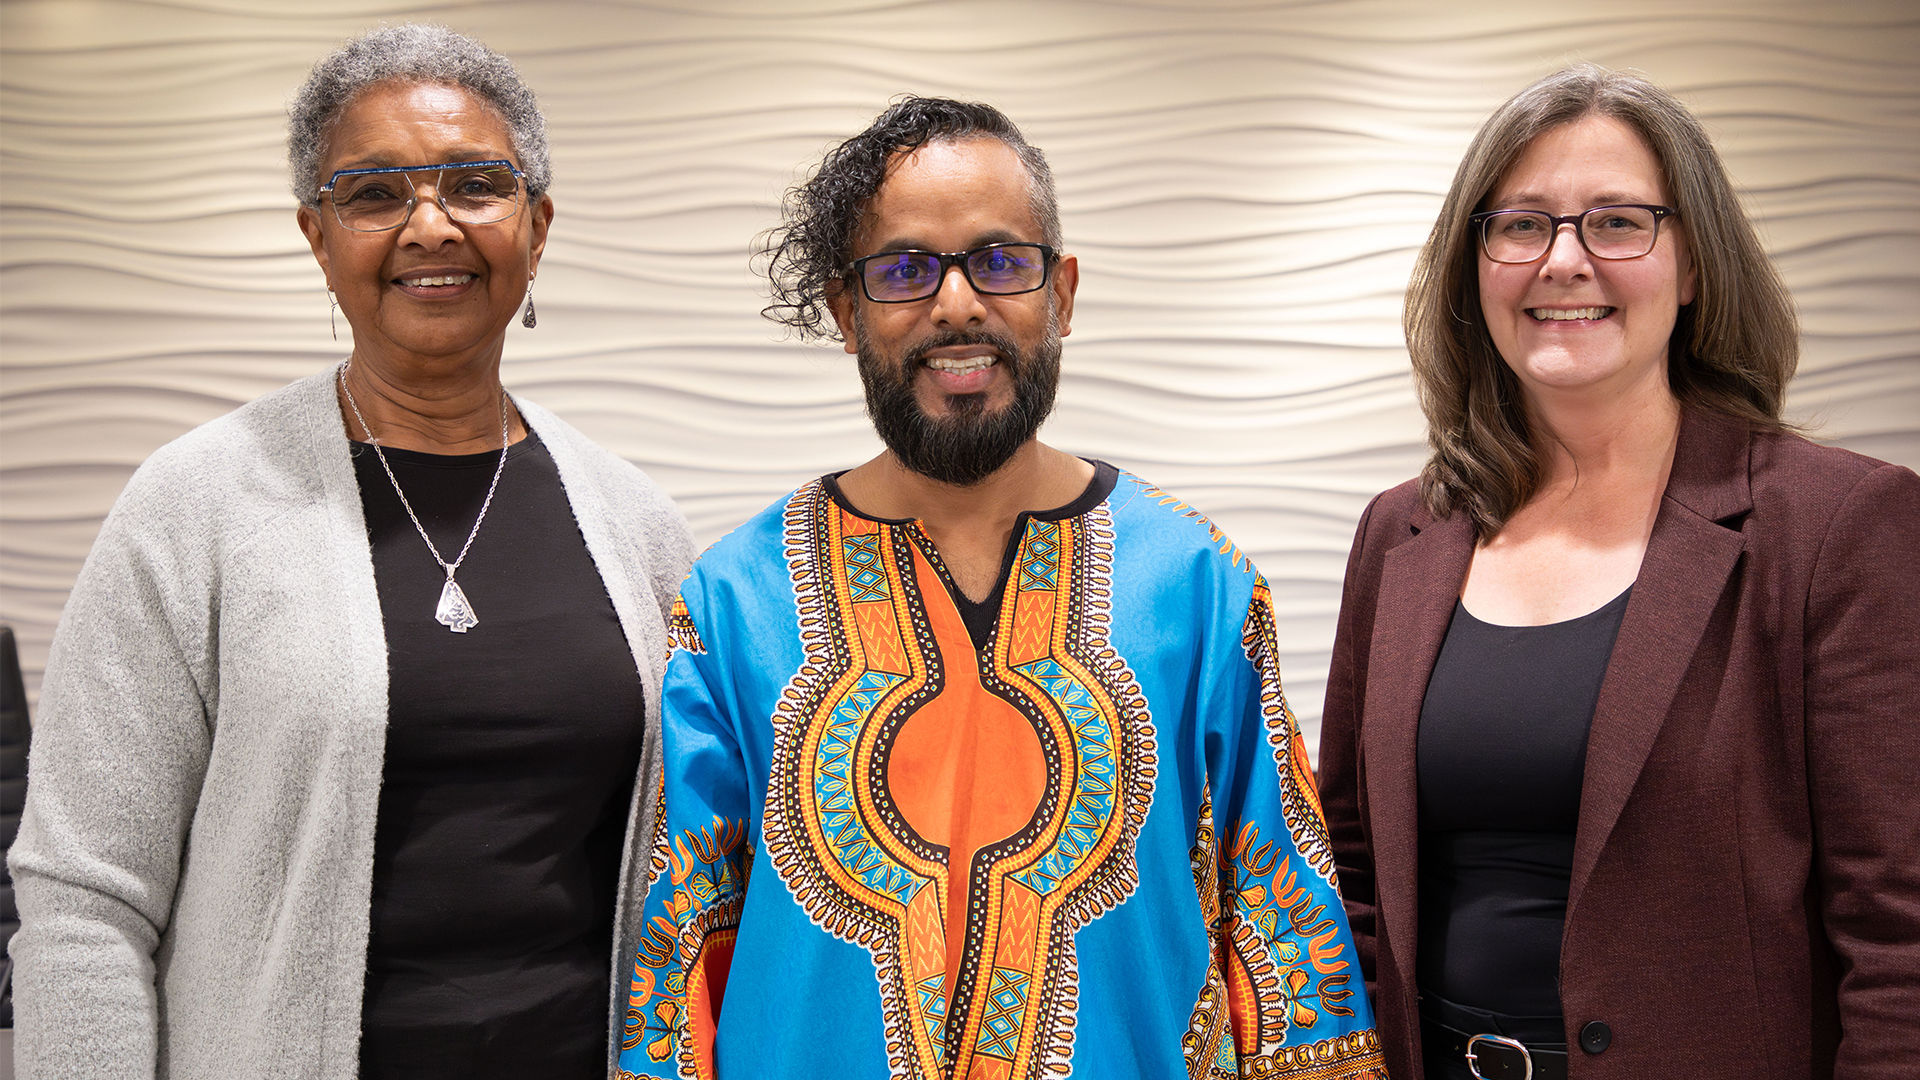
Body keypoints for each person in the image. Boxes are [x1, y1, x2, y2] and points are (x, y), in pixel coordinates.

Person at [613, 97, 1385, 1080]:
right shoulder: (735, 604)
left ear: (1062, 293)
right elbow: (676, 973)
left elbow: (1289, 950)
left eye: (1000, 261)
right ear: (847, 312)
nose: (956, 304)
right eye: (904, 269)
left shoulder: (1199, 589)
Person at [8, 24, 695, 1079]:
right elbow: (84, 901)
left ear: (537, 225)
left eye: (477, 185)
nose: (431, 226)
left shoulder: (634, 519)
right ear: (318, 237)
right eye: (374, 193)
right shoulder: (195, 503)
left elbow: (685, 875)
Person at [1317, 64, 1920, 1080]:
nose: (1564, 261)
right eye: (1521, 225)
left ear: (1693, 266)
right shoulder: (1401, 534)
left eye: (1617, 223)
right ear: (1474, 266)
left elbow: (1898, 933)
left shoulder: (1838, 527)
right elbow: (1352, 878)